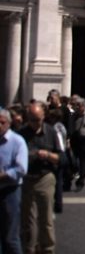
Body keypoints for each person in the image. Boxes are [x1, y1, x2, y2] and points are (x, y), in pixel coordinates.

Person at [20, 102, 60, 254]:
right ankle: (29, 248)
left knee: (46, 219)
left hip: (45, 177)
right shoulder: (21, 134)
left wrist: (49, 155)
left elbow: (62, 157)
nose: (35, 123)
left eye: (38, 119)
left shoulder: (51, 132)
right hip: (26, 178)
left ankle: (47, 249)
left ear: (43, 117)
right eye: (32, 119)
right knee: (27, 220)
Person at [1, 107, 28, 254]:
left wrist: (3, 175)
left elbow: (21, 168)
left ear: (9, 123)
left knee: (10, 236)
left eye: (2, 122)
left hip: (10, 191)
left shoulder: (17, 141)